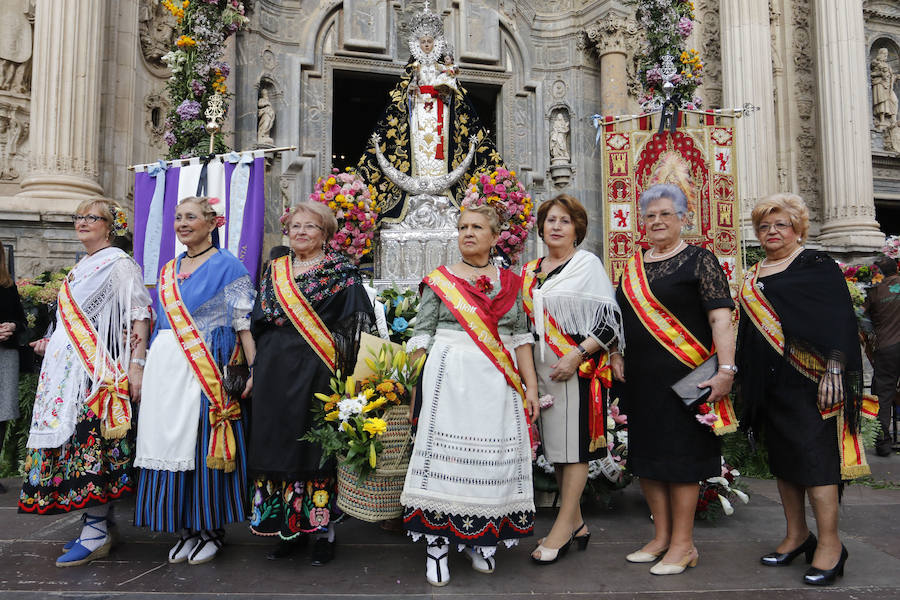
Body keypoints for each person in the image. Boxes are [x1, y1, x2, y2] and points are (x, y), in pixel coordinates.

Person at [401, 204, 540, 586]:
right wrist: (414, 389)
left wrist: (530, 387)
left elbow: (521, 338)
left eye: (477, 227)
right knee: (446, 463)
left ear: (494, 237)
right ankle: (437, 545)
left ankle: (478, 539)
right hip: (449, 378)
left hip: (498, 381)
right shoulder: (440, 280)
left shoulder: (511, 283)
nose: (468, 233)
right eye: (463, 226)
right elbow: (421, 336)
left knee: (490, 462)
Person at [736, 193, 866, 586]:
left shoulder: (816, 264)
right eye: (764, 226)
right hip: (771, 384)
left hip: (813, 381)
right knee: (785, 463)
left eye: (781, 224)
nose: (772, 231)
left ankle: (830, 544)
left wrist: (835, 371)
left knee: (817, 464)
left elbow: (840, 320)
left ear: (798, 229)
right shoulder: (753, 273)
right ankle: (797, 535)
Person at [18, 199, 151, 567]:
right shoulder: (81, 267)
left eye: (92, 217)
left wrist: (137, 366)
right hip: (66, 369)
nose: (82, 222)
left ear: (109, 226)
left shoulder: (119, 264)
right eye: (78, 217)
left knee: (88, 447)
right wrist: (50, 342)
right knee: (73, 445)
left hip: (93, 372)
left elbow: (140, 314)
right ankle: (100, 527)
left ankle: (95, 532)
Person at [611, 183, 736, 576]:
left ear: (683, 218)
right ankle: (661, 537)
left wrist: (726, 370)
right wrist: (615, 353)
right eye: (650, 215)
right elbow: (618, 319)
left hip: (688, 381)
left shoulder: (700, 260)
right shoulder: (633, 266)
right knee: (648, 459)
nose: (657, 221)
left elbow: (720, 317)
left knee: (682, 461)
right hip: (642, 380)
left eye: (666, 214)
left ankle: (684, 544)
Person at [247, 201, 374, 565]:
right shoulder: (275, 270)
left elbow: (357, 324)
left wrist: (350, 375)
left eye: (310, 226)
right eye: (295, 226)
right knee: (276, 444)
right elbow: (259, 320)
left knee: (315, 448)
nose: (300, 232)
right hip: (274, 369)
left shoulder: (341, 272)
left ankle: (322, 532)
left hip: (317, 370)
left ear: (325, 234)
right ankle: (286, 529)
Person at [134, 196, 256, 566]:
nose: (183, 224)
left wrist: (254, 369)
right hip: (167, 366)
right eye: (178, 217)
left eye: (190, 217)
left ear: (211, 223)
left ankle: (209, 530)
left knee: (201, 440)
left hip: (209, 363)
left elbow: (243, 324)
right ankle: (184, 528)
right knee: (168, 442)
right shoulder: (169, 269)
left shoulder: (228, 265)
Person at [522, 194, 623, 564]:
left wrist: (577, 354)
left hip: (576, 368)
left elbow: (610, 322)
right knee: (557, 451)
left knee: (575, 450)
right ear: (541, 227)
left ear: (577, 228)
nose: (556, 226)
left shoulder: (586, 265)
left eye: (564, 221)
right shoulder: (530, 270)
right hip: (541, 370)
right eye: (550, 220)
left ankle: (562, 529)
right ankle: (577, 523)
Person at [354, 6, 504, 222]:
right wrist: (411, 91)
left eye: (429, 41)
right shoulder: (412, 69)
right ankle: (417, 185)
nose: (426, 45)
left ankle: (443, 192)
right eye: (423, 41)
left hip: (440, 112)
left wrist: (447, 87)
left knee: (439, 141)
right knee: (417, 141)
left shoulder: (441, 68)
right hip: (418, 111)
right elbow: (402, 94)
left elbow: (454, 89)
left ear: (436, 43)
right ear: (417, 44)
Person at [864, 255, 900, 457]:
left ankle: (883, 444)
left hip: (887, 347)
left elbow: (862, 319)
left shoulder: (875, 292)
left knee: (883, 396)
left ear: (879, 273)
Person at [0, 242, 26, 494]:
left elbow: (21, 319)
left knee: (1, 415)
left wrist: (13, 326)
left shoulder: (8, 286)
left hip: (5, 355)